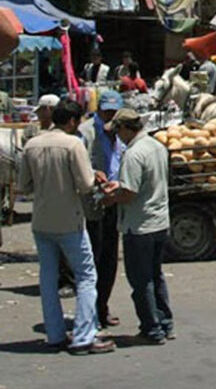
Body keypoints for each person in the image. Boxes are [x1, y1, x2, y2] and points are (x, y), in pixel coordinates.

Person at [18, 99, 115, 355]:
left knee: (48, 279)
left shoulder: (32, 144)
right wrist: (95, 176)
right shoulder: (74, 144)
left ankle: (55, 334)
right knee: (85, 276)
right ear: (72, 121)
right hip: (70, 221)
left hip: (41, 221)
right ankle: (84, 336)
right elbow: (85, 185)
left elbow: (24, 186)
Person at [100, 108, 173, 345]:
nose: (117, 137)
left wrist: (109, 197)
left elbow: (129, 193)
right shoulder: (157, 146)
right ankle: (165, 324)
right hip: (159, 221)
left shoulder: (133, 154)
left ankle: (152, 329)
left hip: (139, 226)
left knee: (141, 281)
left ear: (124, 128)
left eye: (118, 131)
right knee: (156, 276)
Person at [78, 91, 126, 329]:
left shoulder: (119, 131)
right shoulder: (86, 132)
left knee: (109, 258)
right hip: (93, 203)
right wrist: (93, 174)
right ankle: (92, 312)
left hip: (114, 200)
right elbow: (78, 162)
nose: (109, 116)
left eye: (113, 112)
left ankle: (103, 307)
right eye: (106, 111)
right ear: (98, 110)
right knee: (93, 259)